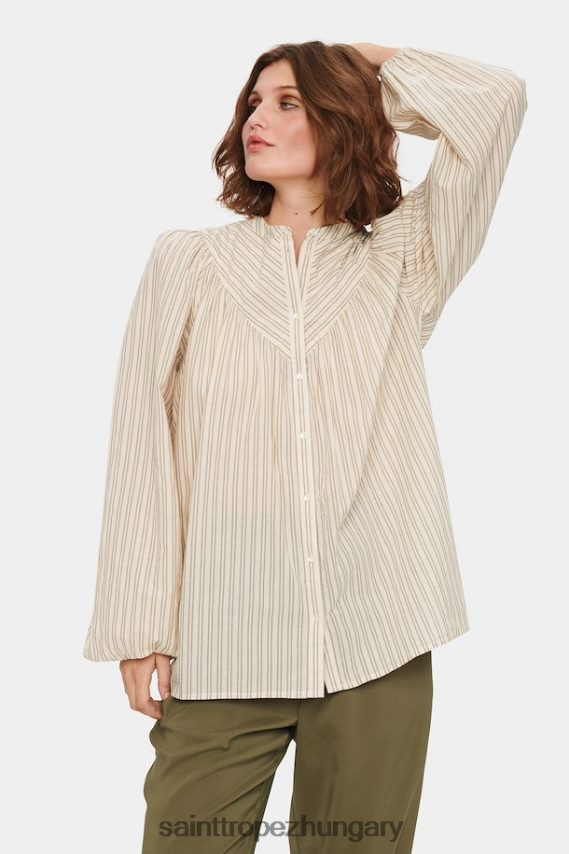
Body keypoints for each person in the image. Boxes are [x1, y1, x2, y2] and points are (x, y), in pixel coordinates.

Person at [83, 40, 527, 853]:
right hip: (223, 637)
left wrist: (364, 64)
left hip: (377, 636)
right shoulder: (189, 261)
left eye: (288, 102)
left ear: (341, 118)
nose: (257, 118)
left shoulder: (404, 256)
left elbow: (495, 104)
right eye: (253, 103)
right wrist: (139, 623)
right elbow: (141, 440)